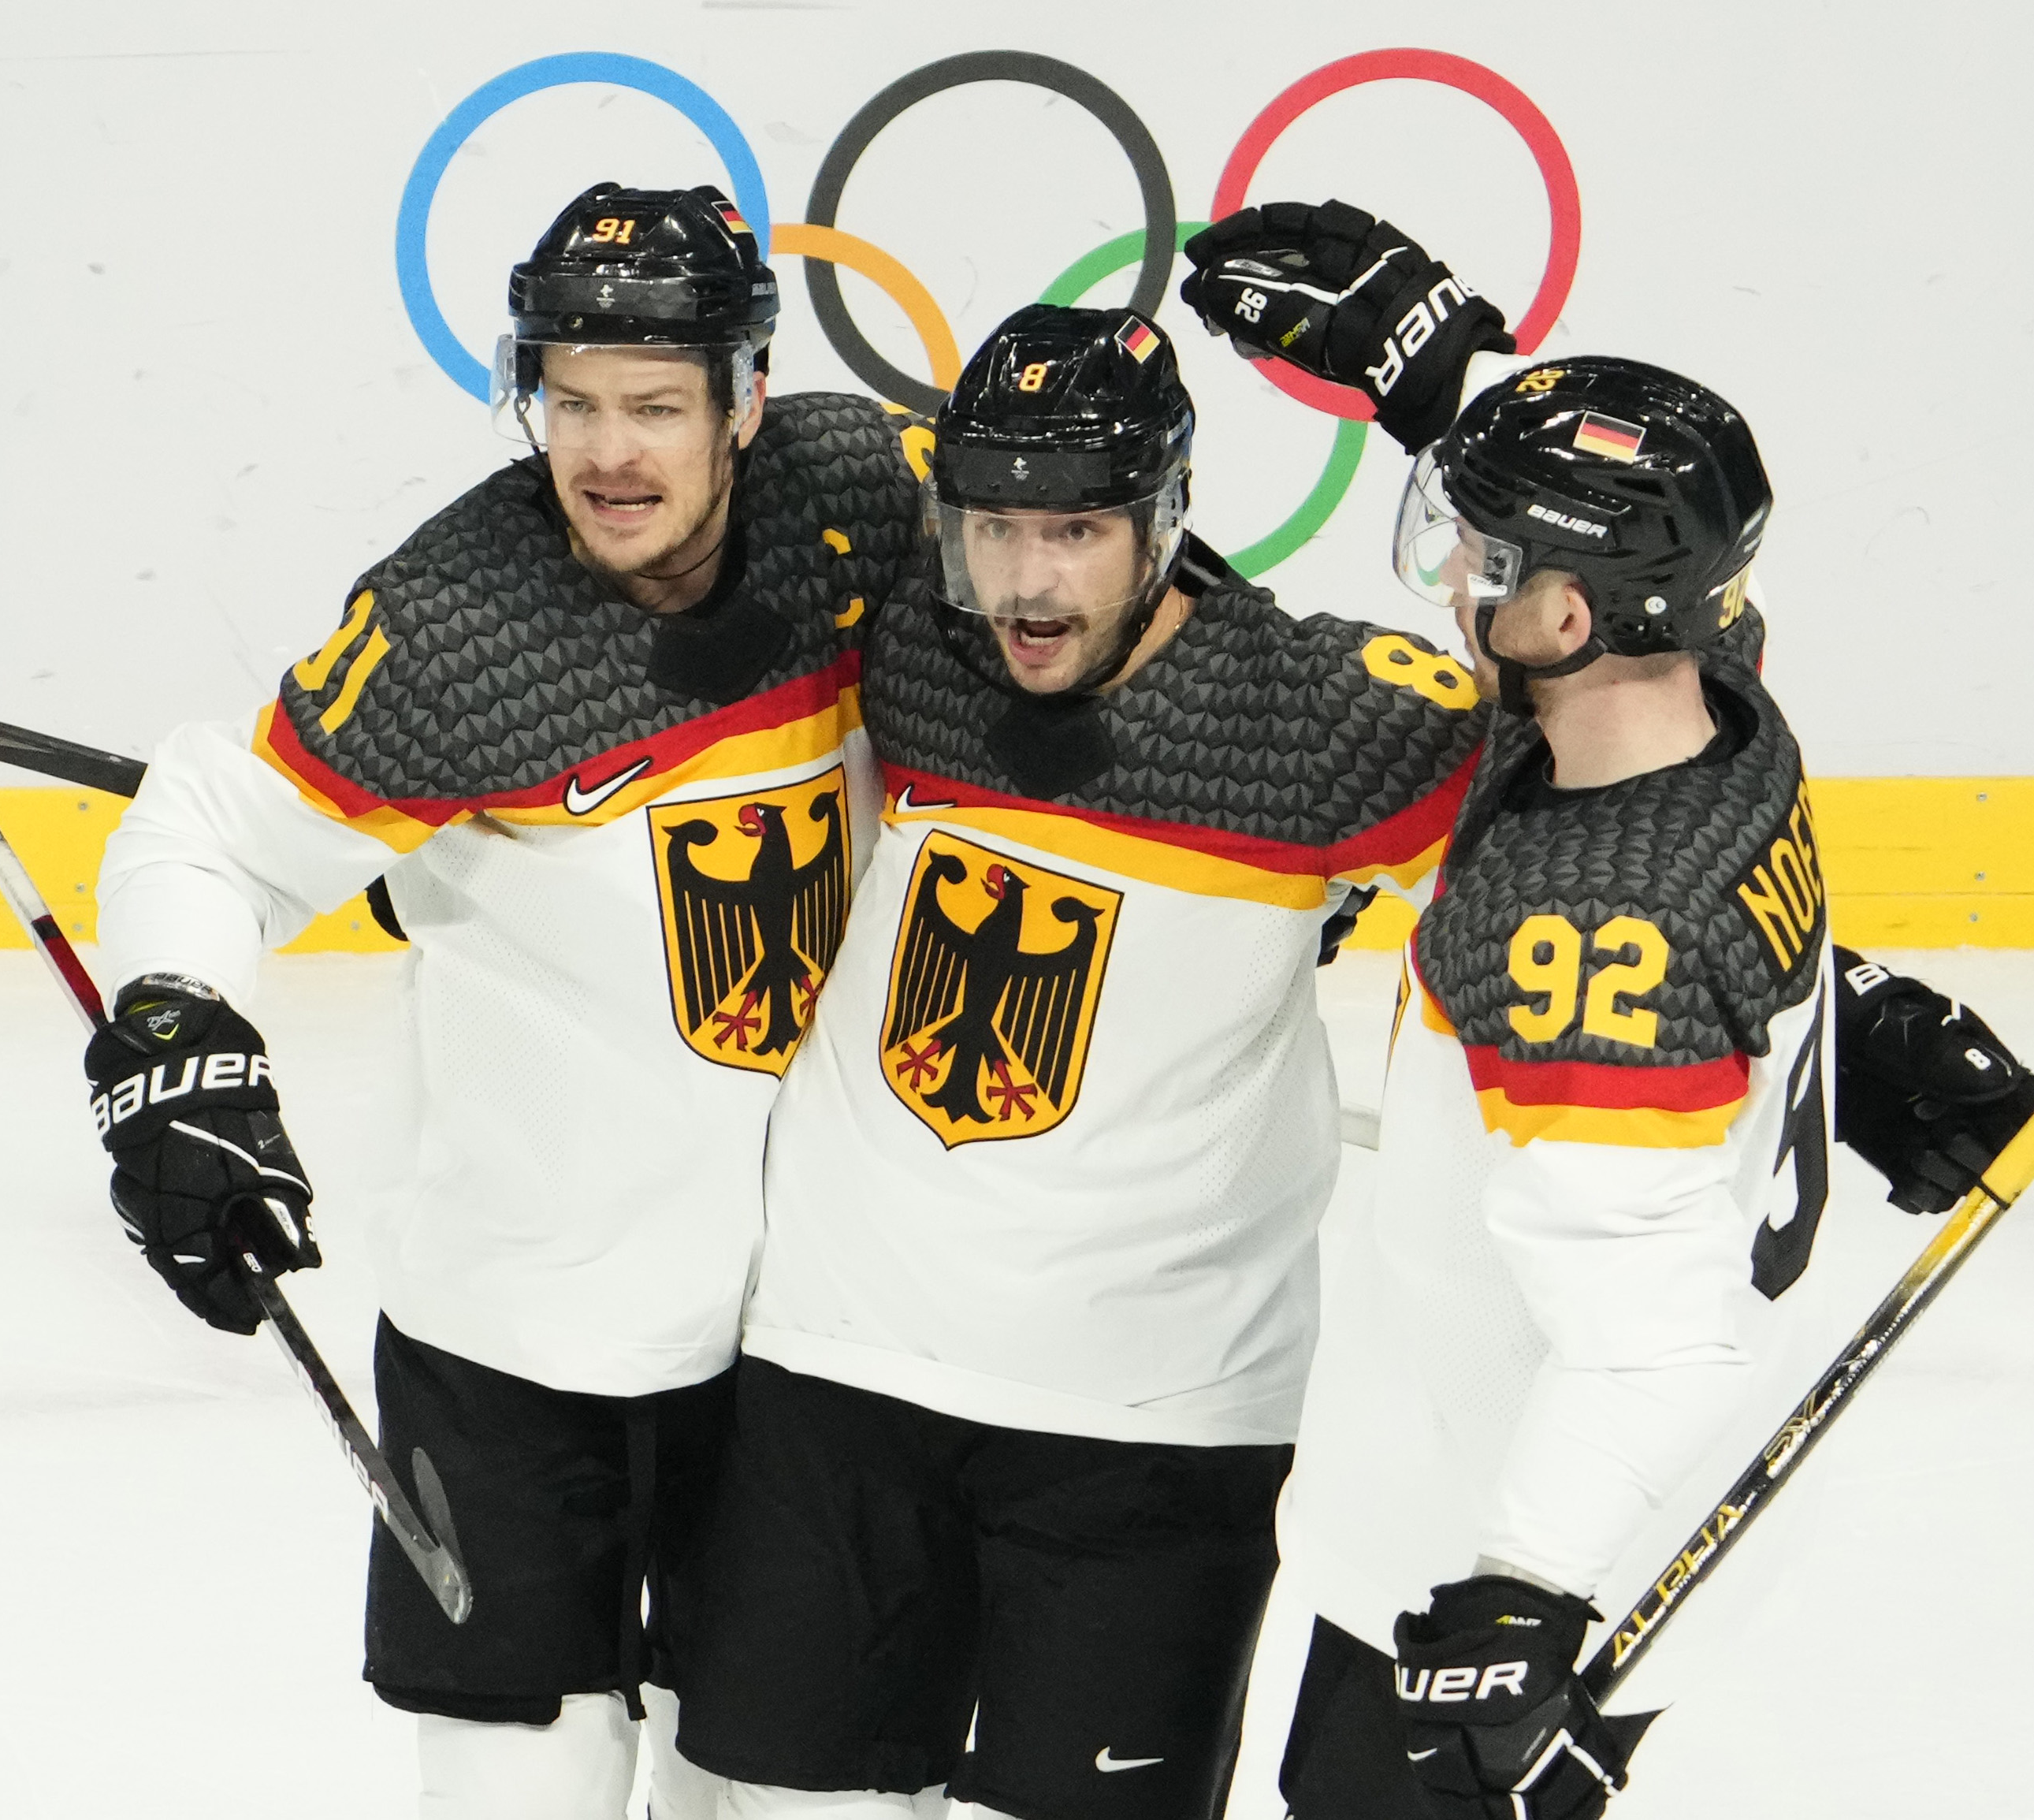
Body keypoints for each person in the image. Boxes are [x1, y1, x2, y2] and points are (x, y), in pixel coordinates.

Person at [1179, 204, 2034, 1816]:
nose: (1452, 586)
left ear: (1569, 617)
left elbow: (1646, 1347)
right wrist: (1445, 370)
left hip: (1499, 1547)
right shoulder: (1695, 702)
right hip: (1569, 1500)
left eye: (1479, 566)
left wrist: (1524, 1595)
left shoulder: (1582, 930)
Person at [80, 181, 930, 1819]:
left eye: (658, 408)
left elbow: (1098, 585)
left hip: (811, 1330)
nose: (607, 454)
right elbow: (205, 825)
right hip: (520, 1338)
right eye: (574, 399)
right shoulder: (460, 631)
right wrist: (178, 1033)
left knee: (781, 1794)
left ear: (748, 398)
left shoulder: (860, 497)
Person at [668, 303, 1489, 1820]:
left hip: (1156, 1429)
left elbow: (1620, 785)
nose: (1026, 583)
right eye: (990, 528)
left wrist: (1460, 410)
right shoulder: (910, 640)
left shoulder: (1321, 722)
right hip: (840, 1374)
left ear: (1167, 519)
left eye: (1076, 530)